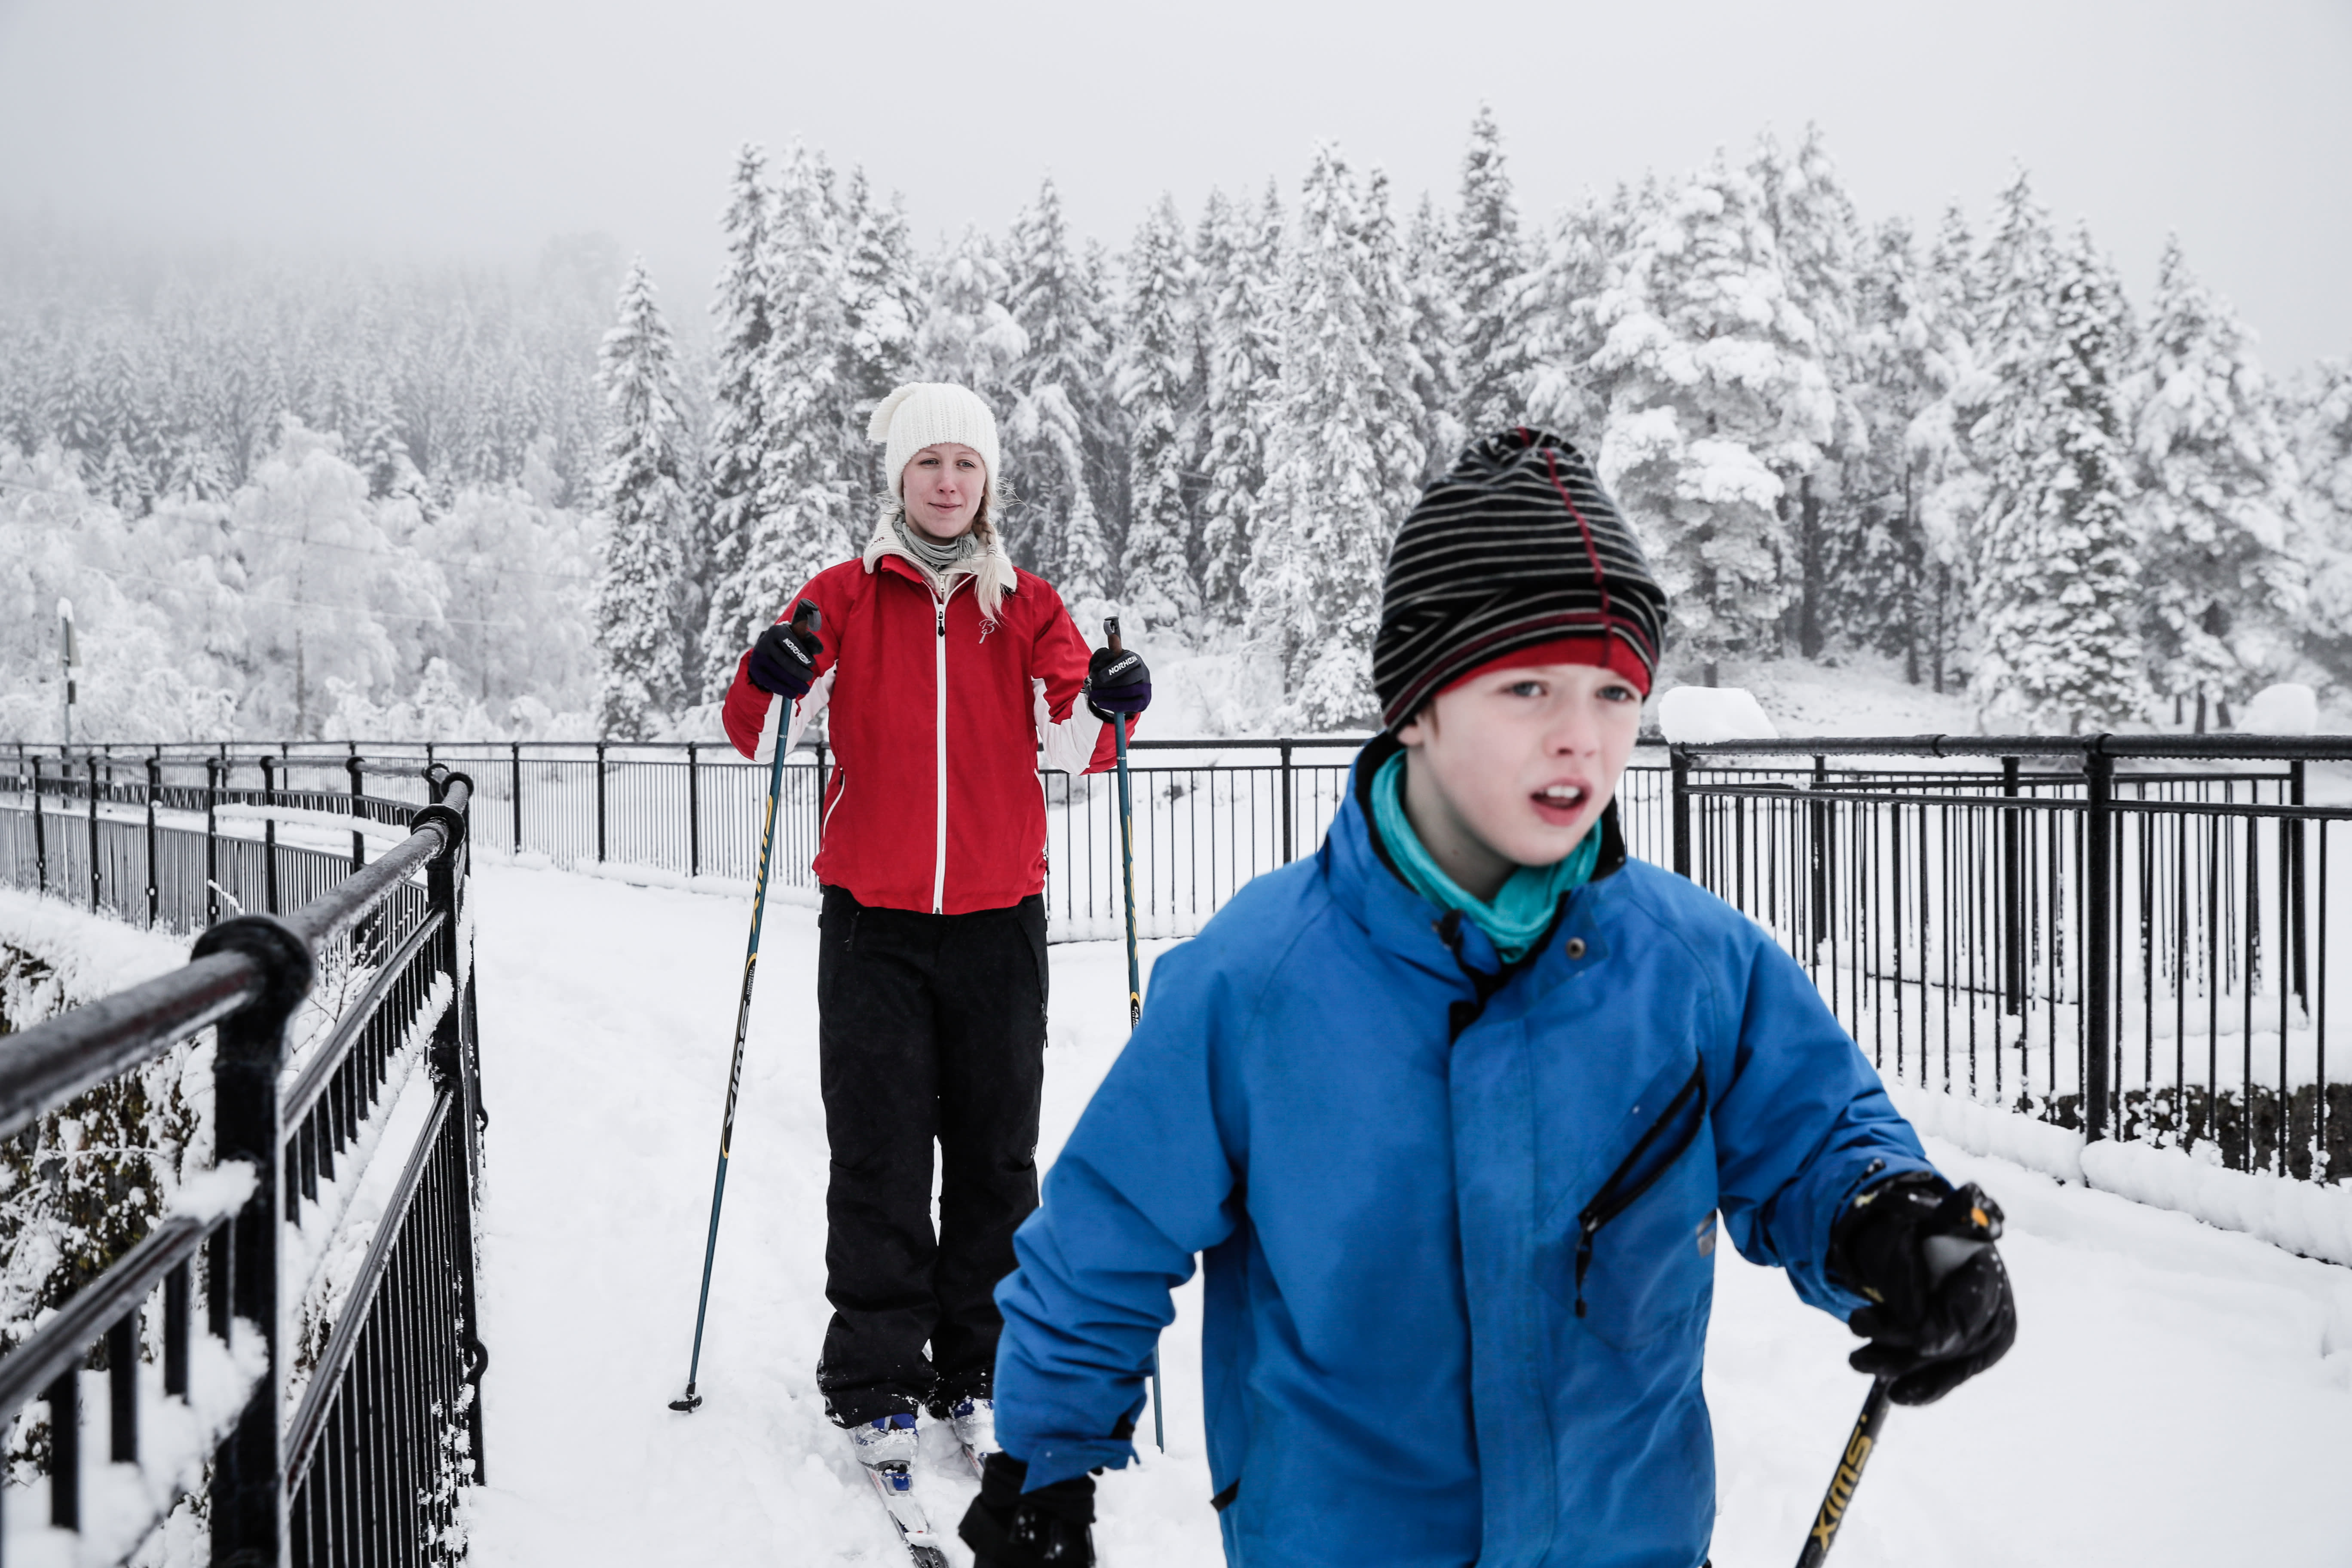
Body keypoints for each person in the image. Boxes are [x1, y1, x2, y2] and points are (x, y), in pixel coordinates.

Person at [959, 428, 2015, 1568]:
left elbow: (1816, 1137)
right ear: (1417, 706)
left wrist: (1891, 1223)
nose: (1582, 738)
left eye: (1616, 693)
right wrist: (1044, 1465)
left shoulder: (1692, 967)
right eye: (1527, 688)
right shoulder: (1258, 980)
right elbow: (1107, 1235)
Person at [720, 382, 1152, 1503]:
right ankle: (874, 1379)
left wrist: (1112, 701)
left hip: (999, 922)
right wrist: (769, 673)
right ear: (899, 479)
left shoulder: (1030, 607)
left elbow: (1078, 744)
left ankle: (981, 1370)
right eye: (929, 464)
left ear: (988, 480)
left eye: (966, 464)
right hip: (874, 923)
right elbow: (759, 727)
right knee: (881, 1155)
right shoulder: (843, 598)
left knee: (998, 1159)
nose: (948, 482)